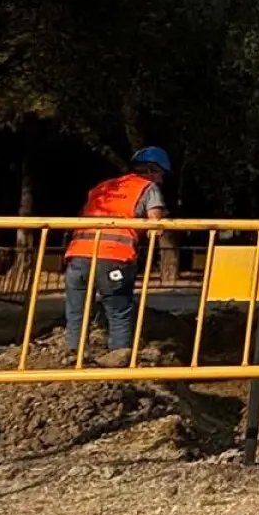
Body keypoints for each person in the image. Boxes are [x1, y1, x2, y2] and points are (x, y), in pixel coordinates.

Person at [64, 146, 168, 368]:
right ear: (152, 170)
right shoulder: (148, 188)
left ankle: (74, 356)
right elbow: (156, 226)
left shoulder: (103, 187)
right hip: (113, 257)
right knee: (119, 310)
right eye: (160, 174)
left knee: (77, 310)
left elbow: (83, 215)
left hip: (78, 254)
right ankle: (118, 363)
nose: (161, 180)